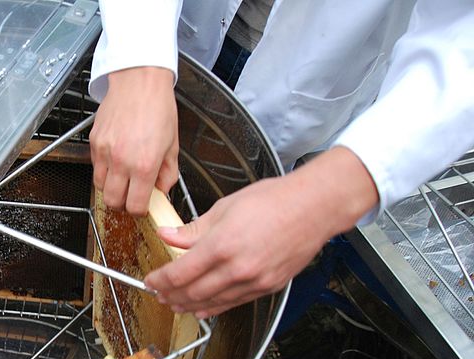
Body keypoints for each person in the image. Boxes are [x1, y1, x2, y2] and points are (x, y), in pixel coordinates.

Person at [88, 0, 474, 319]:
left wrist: (320, 199)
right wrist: (139, 59)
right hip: (175, 29)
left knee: (245, 294)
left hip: (329, 80)